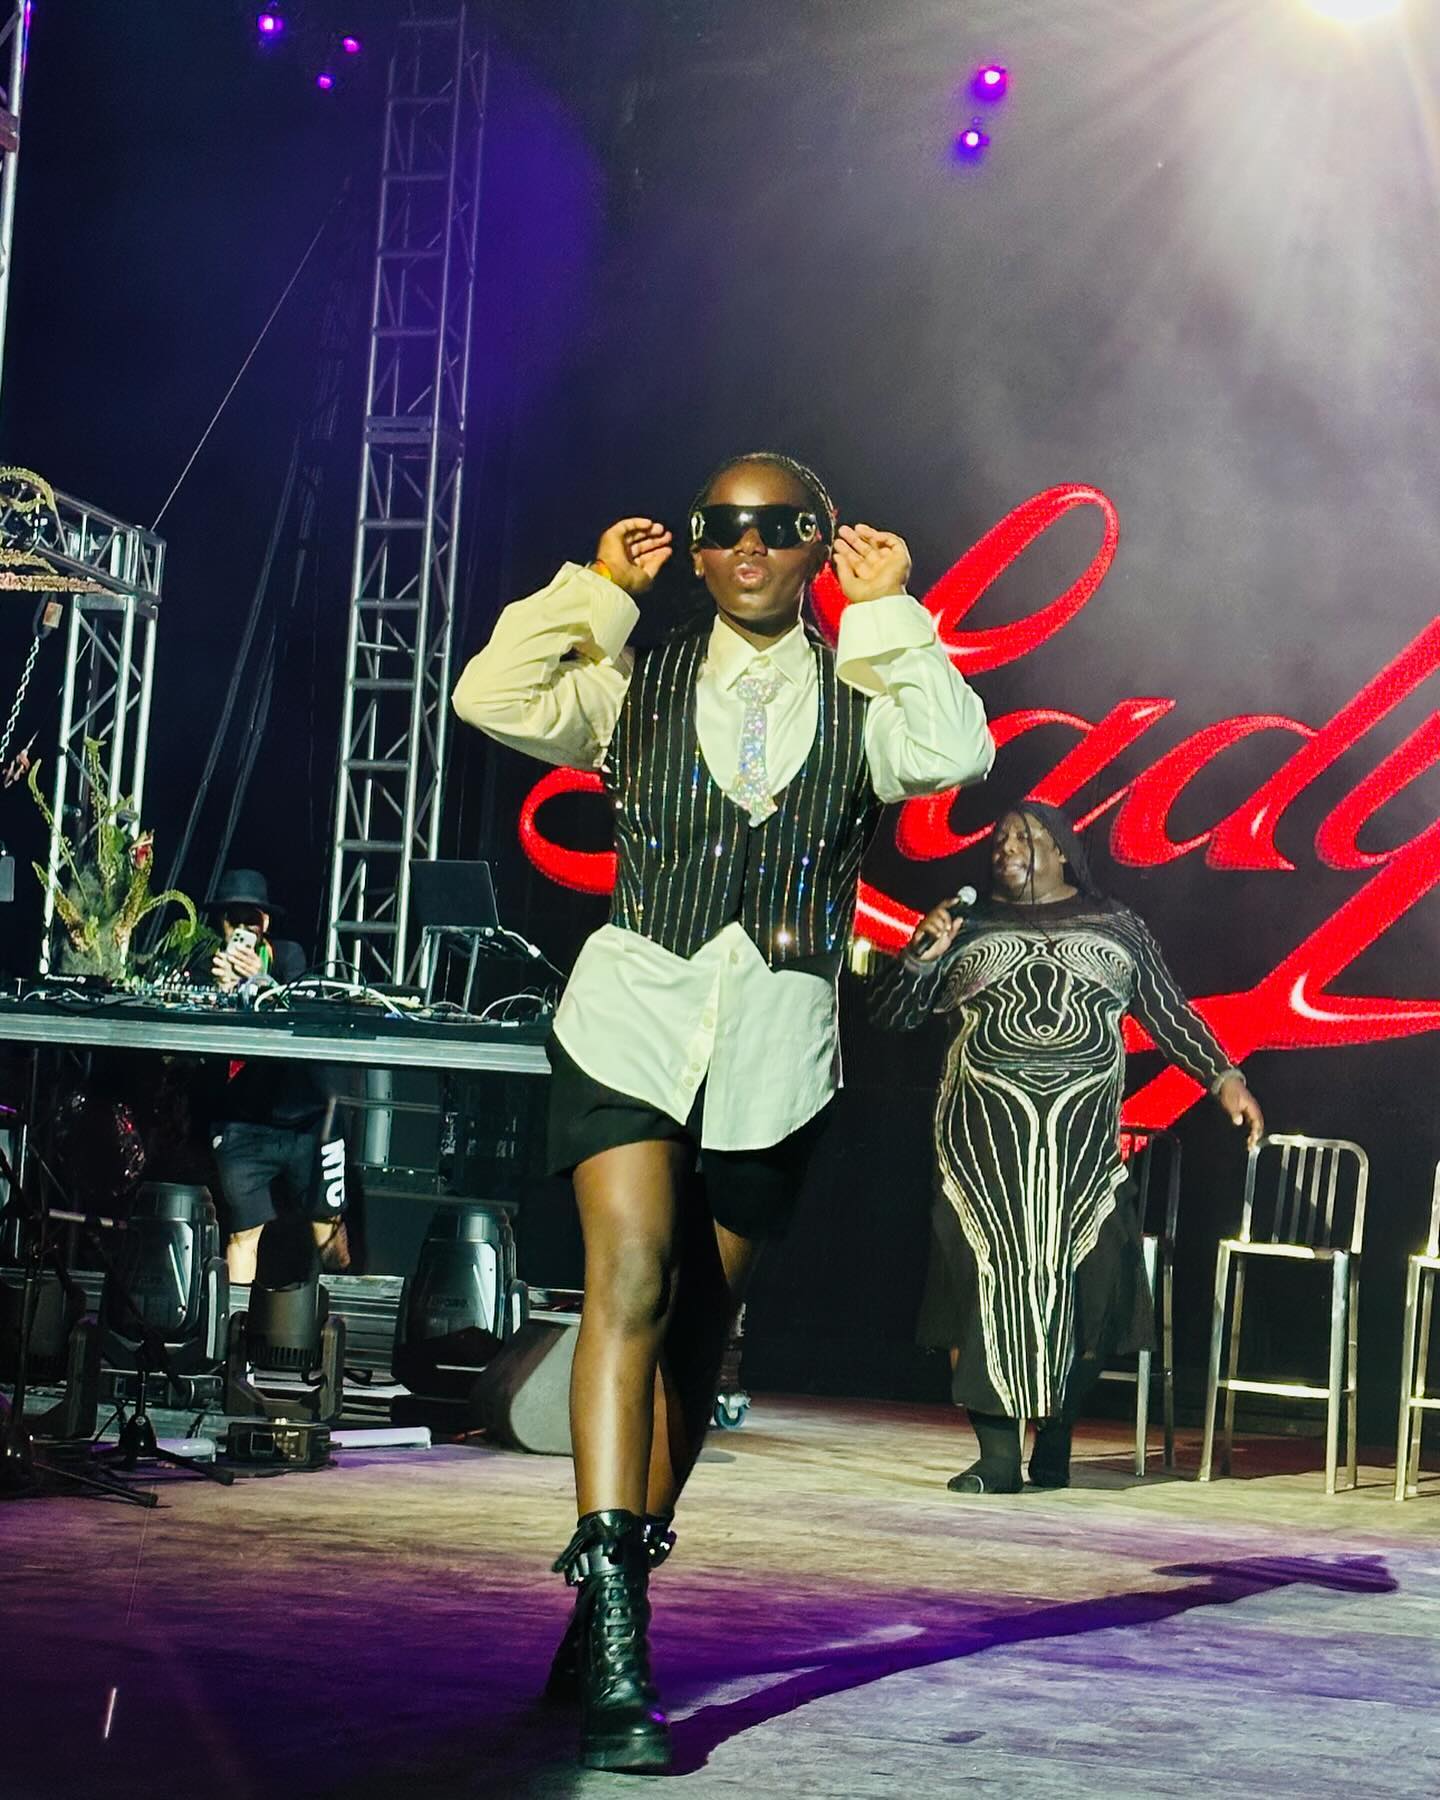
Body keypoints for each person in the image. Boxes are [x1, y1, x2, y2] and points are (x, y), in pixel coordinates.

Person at [453, 450, 993, 1772]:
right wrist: (598, 589)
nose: (750, 546)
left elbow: (953, 749)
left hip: (775, 1052)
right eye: (724, 526)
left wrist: (889, 612)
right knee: (632, 1279)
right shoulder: (628, 683)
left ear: (821, 544)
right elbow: (489, 692)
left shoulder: (861, 693)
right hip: (631, 1021)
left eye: (780, 525)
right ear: (694, 549)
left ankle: (614, 1595)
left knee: (697, 1338)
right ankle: (618, 1633)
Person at [872, 802, 1264, 1495]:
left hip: (1084, 1154)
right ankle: (998, 1459)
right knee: (984, 1290)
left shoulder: (1116, 926)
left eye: (1025, 837)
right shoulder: (964, 928)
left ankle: (1054, 1439)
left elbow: (1168, 1009)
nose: (1006, 847)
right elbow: (892, 1016)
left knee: (1090, 1290)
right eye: (999, 838)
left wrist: (1222, 1077)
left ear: (1062, 853)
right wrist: (917, 957)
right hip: (980, 1151)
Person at [200, 869, 350, 1285]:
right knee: (242, 1236)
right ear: (221, 923)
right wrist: (222, 993)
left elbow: (295, 1008)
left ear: (265, 922)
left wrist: (258, 982)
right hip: (244, 1126)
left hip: (306, 1122)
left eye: (251, 919)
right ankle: (232, 1323)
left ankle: (339, 1312)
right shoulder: (206, 965)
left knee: (329, 1235)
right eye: (233, 919)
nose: (242, 929)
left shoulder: (288, 958)